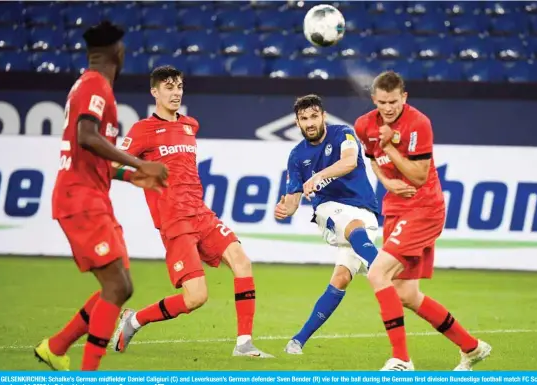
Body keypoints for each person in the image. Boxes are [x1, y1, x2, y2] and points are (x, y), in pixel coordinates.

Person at [110, 65, 273, 358]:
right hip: (175, 221)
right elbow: (111, 166)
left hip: (201, 213)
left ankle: (244, 344)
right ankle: (135, 320)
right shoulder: (143, 130)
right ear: (154, 92)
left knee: (242, 262)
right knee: (196, 297)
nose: (175, 93)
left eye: (179, 87)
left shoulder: (190, 125)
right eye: (169, 87)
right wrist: (138, 175)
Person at [34, 21, 168, 371]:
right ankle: (88, 373)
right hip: (81, 199)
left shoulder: (88, 84)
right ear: (117, 52)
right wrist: (141, 162)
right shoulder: (96, 85)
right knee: (117, 285)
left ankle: (56, 346)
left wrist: (131, 175)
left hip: (91, 197)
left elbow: (95, 156)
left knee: (119, 284)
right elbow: (87, 137)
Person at [354, 71, 491, 371]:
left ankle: (401, 359)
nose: (388, 108)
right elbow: (372, 159)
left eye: (393, 101)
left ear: (404, 97)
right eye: (381, 102)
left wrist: (390, 145)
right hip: (395, 208)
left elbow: (417, 176)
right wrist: (387, 184)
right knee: (406, 294)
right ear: (373, 99)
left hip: (424, 208)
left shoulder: (419, 123)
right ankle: (472, 347)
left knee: (378, 275)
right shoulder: (364, 125)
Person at [274, 94, 416, 354]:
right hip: (330, 211)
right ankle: (389, 272)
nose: (310, 123)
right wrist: (285, 208)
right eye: (304, 119)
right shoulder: (296, 156)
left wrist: (318, 176)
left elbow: (349, 161)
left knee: (340, 278)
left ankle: (297, 341)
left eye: (314, 116)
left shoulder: (343, 134)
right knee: (352, 226)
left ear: (323, 116)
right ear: (297, 123)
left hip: (367, 213)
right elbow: (293, 199)